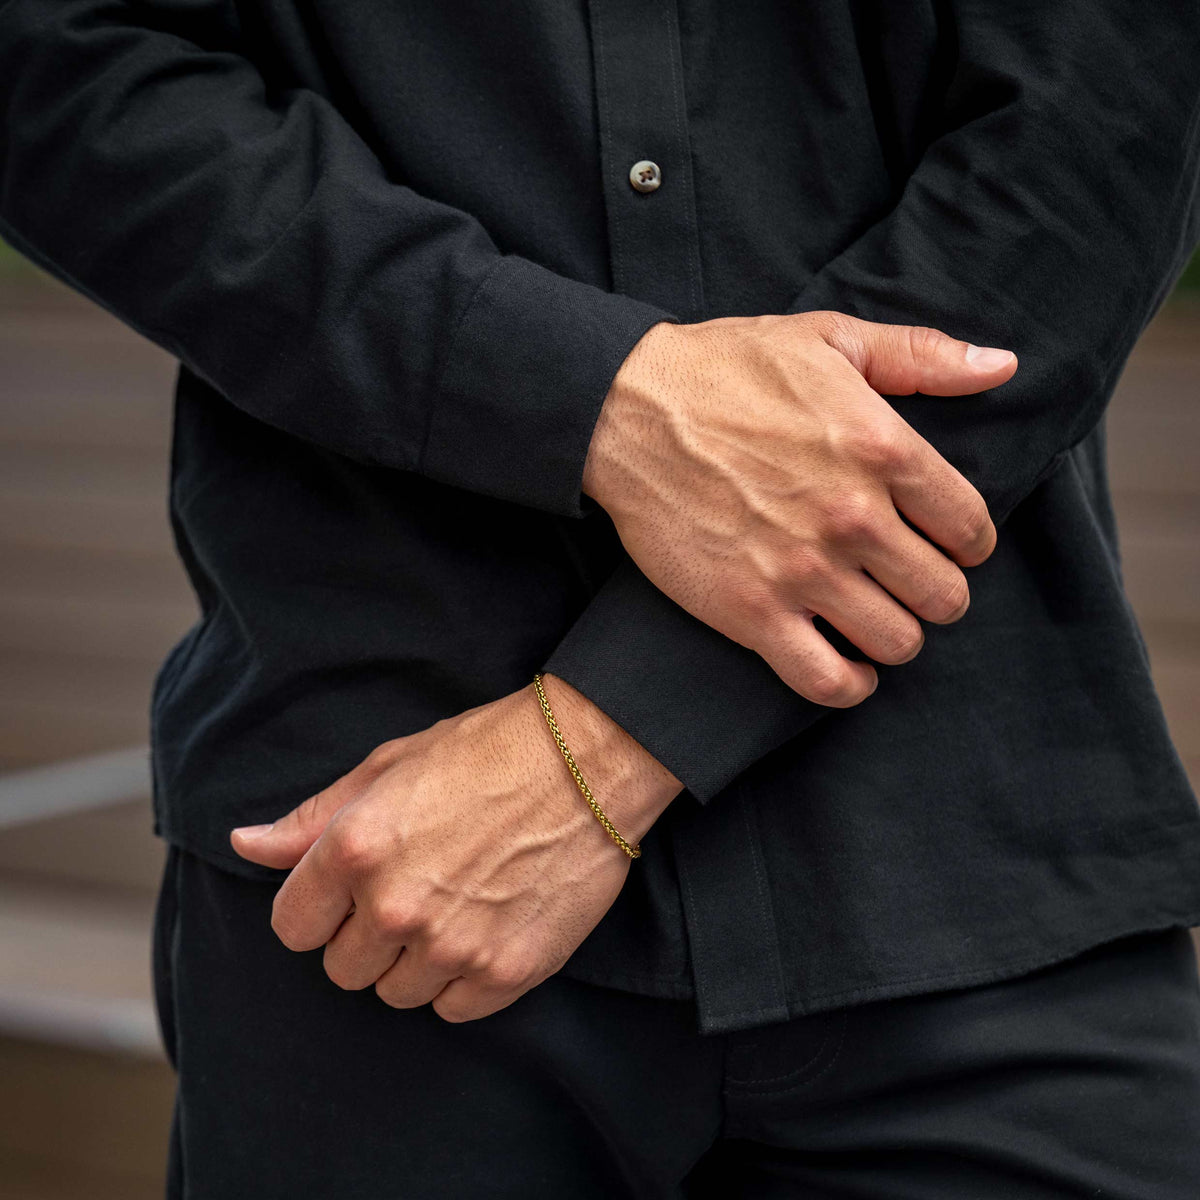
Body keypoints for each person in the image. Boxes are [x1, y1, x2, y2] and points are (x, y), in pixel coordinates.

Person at [3, 1, 1200, 1195]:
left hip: (963, 881)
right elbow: (60, 68)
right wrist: (601, 398)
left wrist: (612, 737)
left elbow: (1092, 140)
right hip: (378, 893)